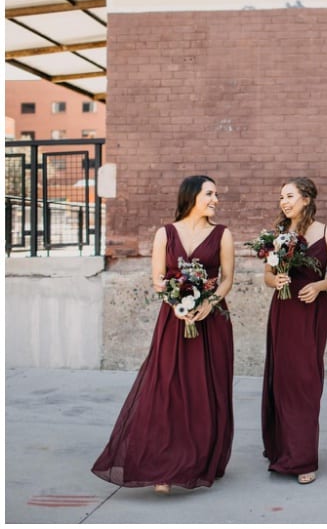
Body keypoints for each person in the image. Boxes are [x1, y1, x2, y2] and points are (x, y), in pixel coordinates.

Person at [91, 175, 235, 494]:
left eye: (216, 194)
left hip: (212, 320)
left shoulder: (223, 235)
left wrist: (208, 303)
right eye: (209, 193)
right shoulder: (165, 234)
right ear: (192, 196)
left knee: (206, 389)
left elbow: (226, 279)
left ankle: (199, 461)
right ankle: (163, 466)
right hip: (173, 320)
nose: (215, 199)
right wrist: (177, 302)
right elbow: (158, 279)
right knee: (167, 388)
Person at [261, 177, 327, 485]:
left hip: (312, 311)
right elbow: (267, 275)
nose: (284, 201)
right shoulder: (277, 235)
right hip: (283, 310)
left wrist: (319, 286)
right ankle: (284, 451)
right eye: (281, 196)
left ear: (306, 199)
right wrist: (277, 280)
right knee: (283, 379)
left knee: (306, 381)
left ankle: (304, 457)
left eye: (290, 196)